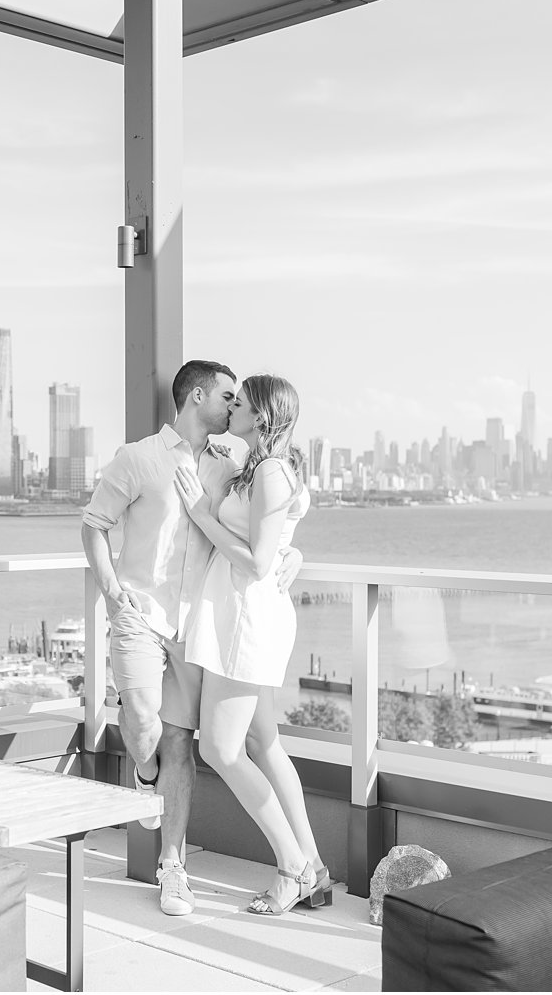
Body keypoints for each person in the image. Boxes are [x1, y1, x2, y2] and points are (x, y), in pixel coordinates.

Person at [82, 360, 300, 918]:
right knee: (146, 721)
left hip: (197, 624)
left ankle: (173, 867)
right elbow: (94, 523)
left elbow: (279, 510)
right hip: (139, 612)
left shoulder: (233, 462)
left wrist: (292, 554)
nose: (233, 406)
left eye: (239, 401)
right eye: (227, 396)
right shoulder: (138, 458)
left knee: (182, 742)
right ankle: (144, 771)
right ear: (196, 395)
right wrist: (111, 590)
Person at [172, 372, 331, 915]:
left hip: (245, 616)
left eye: (239, 403)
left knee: (220, 748)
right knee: (264, 743)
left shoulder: (268, 471)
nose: (231, 408)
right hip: (238, 611)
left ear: (260, 417)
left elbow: (260, 561)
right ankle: (314, 864)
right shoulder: (259, 465)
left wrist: (199, 514)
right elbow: (279, 536)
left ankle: (293, 868)